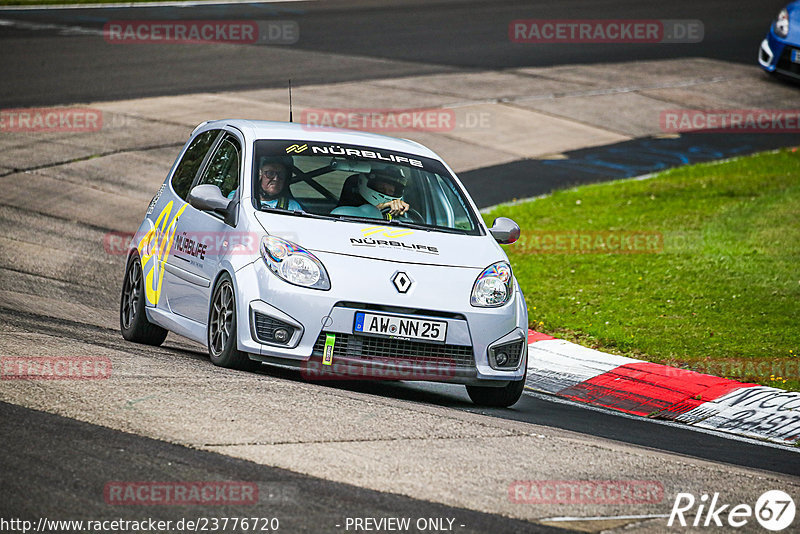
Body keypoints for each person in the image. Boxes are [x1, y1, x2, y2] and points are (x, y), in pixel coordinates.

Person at [331, 167, 410, 220]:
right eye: (381, 189)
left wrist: (401, 211)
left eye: (391, 192)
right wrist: (378, 209)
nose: (386, 194)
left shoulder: (401, 216)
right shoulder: (342, 216)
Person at [229, 156, 302, 211]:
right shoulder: (238, 196)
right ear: (260, 175)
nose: (276, 179)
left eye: (281, 175)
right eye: (270, 173)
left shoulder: (293, 207)